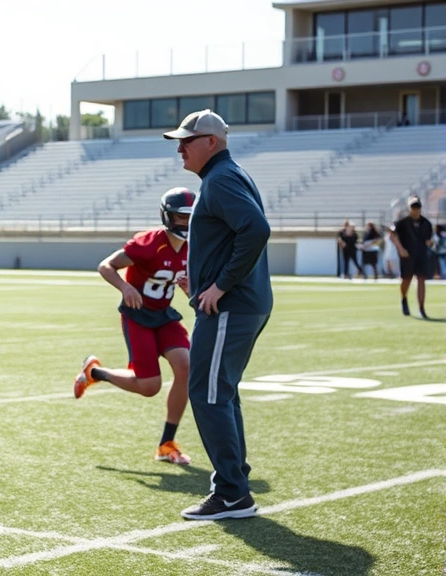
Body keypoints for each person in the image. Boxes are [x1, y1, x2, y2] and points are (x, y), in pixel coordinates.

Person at [162, 109, 272, 521]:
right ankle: (234, 484)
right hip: (239, 303)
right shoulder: (226, 175)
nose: (180, 148)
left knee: (207, 394)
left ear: (211, 142)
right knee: (219, 392)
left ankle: (231, 492)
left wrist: (220, 285)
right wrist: (208, 279)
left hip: (232, 305)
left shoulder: (222, 178)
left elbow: (256, 229)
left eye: (187, 141)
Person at [74, 187, 196, 466]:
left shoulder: (195, 246)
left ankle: (167, 444)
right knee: (149, 386)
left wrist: (191, 292)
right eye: (180, 217)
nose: (187, 224)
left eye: (192, 217)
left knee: (186, 366)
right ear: (167, 217)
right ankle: (95, 373)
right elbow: (106, 266)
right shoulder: (149, 243)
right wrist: (125, 287)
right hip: (138, 315)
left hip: (164, 314)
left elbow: (189, 283)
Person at [390, 196, 435, 318]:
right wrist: (401, 249)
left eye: (417, 207)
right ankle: (404, 298)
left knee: (421, 279)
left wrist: (430, 243)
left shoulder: (426, 224)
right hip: (407, 255)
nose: (416, 210)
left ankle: (421, 308)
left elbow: (430, 239)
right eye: (413, 207)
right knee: (406, 280)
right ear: (409, 208)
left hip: (421, 255)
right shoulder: (403, 222)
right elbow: (392, 235)